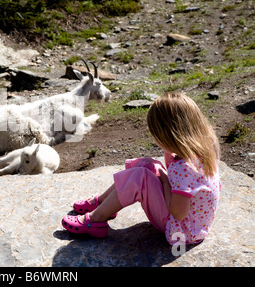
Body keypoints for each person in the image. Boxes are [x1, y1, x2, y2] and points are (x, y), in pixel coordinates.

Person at [62, 91, 221, 245]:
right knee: (148, 164)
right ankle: (103, 203)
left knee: (140, 178)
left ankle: (96, 220)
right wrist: (168, 152)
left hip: (181, 231)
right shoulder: (203, 150)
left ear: (166, 135)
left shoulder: (184, 168)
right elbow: (178, 180)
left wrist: (165, 182)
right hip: (189, 224)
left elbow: (178, 213)